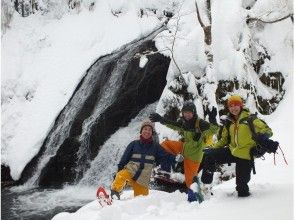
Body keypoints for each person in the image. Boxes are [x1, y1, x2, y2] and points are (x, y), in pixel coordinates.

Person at [201, 95, 273, 197]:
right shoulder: (229, 122)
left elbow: (268, 130)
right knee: (209, 156)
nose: (233, 108)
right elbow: (224, 140)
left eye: (236, 105)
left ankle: (243, 206)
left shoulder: (250, 119)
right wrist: (213, 148)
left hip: (245, 155)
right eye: (231, 106)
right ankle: (205, 186)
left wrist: (263, 137)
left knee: (241, 188)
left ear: (241, 106)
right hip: (232, 151)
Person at [149, 101, 218, 191]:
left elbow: (214, 130)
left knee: (190, 183)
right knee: (165, 145)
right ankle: (165, 170)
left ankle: (198, 196)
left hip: (193, 156)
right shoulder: (185, 122)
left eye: (189, 112)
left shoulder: (200, 123)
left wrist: (213, 119)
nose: (187, 115)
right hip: (183, 148)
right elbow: (174, 125)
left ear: (194, 112)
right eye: (185, 112)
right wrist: (161, 119)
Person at [110, 120, 175, 199]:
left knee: (141, 199)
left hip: (143, 178)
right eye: (145, 129)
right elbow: (124, 159)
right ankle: (115, 194)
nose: (147, 131)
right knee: (120, 175)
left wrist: (176, 158)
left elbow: (166, 156)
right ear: (141, 131)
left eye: (149, 130)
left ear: (152, 133)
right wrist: (118, 171)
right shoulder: (133, 144)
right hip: (130, 171)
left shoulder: (156, 147)